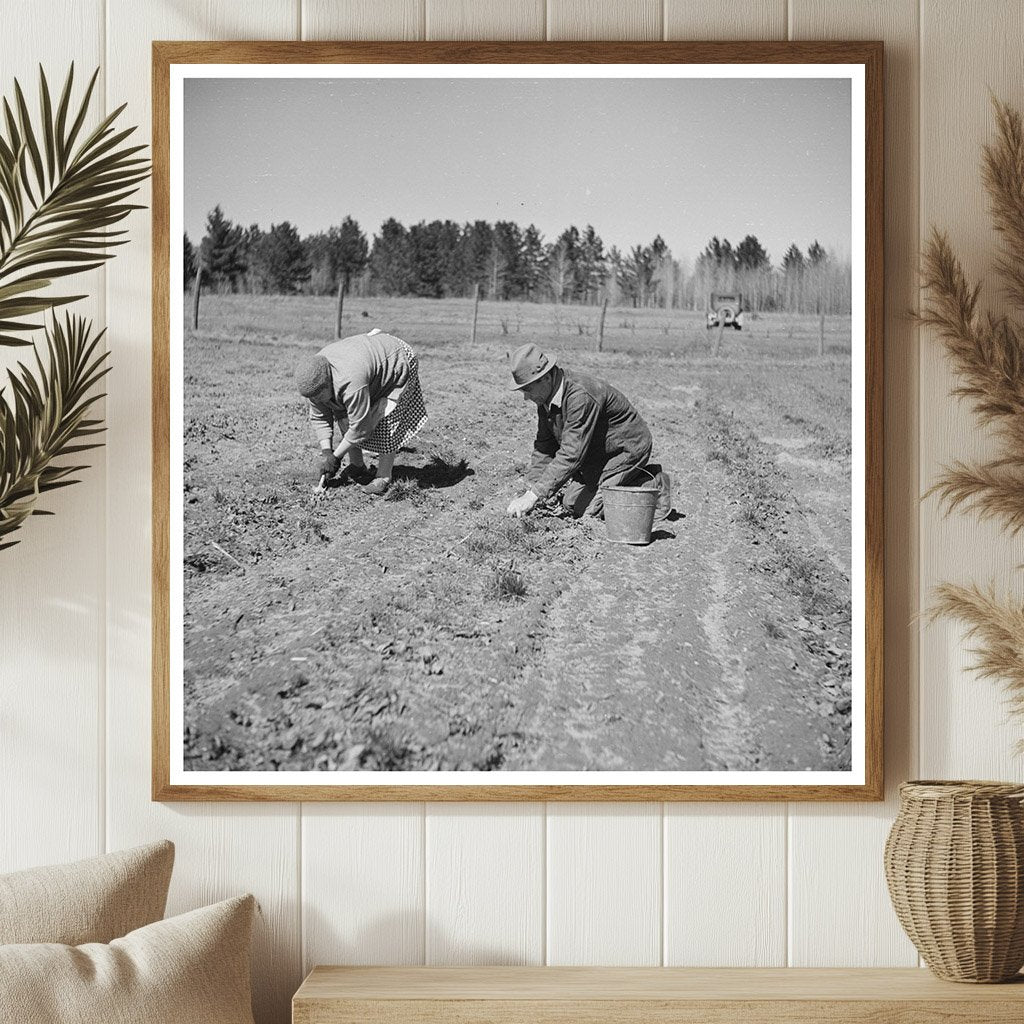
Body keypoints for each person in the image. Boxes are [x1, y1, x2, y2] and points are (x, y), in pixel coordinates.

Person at [506, 343, 672, 520]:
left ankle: (652, 482)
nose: (526, 397)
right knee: (570, 503)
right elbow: (544, 448)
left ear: (546, 378)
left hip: (626, 449)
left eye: (528, 389)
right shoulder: (544, 398)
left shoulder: (580, 395)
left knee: (590, 512)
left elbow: (572, 452)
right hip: (597, 454)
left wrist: (534, 496)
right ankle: (617, 483)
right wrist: (531, 489)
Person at [294, 329, 428, 496]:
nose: (318, 401)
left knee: (387, 419)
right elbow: (320, 417)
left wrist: (336, 458)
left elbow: (360, 427)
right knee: (342, 415)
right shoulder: (314, 379)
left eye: (320, 396)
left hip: (395, 361)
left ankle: (384, 476)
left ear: (329, 383)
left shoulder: (351, 382)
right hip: (367, 364)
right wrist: (327, 452)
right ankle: (357, 466)